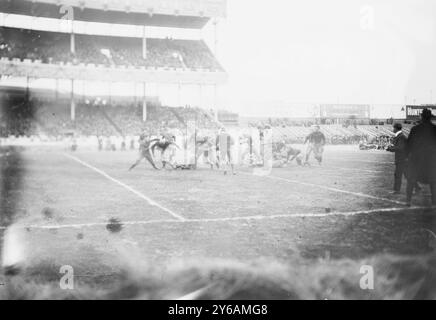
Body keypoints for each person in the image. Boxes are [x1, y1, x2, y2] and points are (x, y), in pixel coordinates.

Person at [405, 109, 436, 206]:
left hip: (416, 159)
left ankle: (408, 201)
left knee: (411, 180)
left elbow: (408, 144)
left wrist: (406, 157)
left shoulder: (415, 129)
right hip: (431, 160)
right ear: (430, 117)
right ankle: (434, 203)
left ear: (422, 117)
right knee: (433, 182)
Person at [386, 123, 420, 194]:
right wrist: (391, 147)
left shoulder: (401, 136)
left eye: (393, 128)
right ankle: (417, 187)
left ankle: (397, 190)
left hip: (402, 159)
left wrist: (390, 148)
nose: (393, 129)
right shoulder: (400, 136)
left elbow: (400, 148)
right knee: (408, 175)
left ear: (396, 128)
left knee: (398, 175)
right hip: (404, 159)